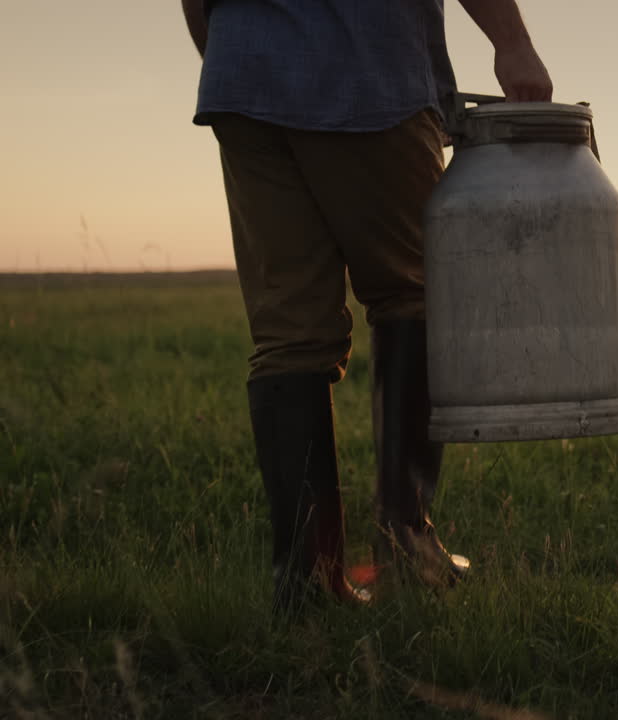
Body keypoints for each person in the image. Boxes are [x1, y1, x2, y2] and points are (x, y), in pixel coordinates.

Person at [181, 0, 553, 615]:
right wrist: (513, 42)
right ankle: (407, 548)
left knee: (289, 333)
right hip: (365, 65)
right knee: (414, 293)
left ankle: (308, 583)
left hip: (242, 74)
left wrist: (236, 53)